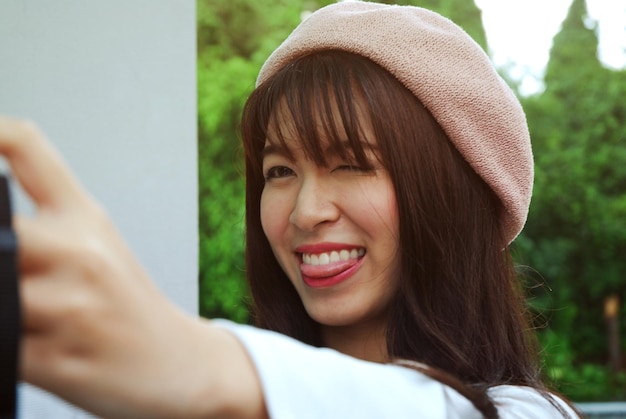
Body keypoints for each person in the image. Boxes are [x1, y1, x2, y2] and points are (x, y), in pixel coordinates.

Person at [0, 1, 579, 418]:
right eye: (279, 172)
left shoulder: (524, 412)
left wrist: (191, 363)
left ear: (447, 198)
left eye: (351, 163)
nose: (305, 211)